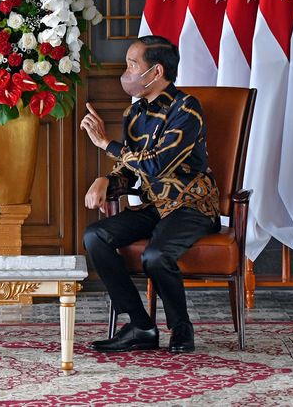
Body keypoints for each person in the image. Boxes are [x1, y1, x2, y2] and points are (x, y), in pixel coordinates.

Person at [80, 35, 220, 354]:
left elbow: (157, 164)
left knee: (155, 256)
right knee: (95, 236)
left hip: (191, 205)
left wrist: (106, 145)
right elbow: (132, 169)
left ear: (155, 72)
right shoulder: (135, 115)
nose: (126, 72)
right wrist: (107, 181)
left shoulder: (187, 109)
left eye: (132, 65)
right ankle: (141, 326)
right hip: (154, 205)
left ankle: (181, 327)